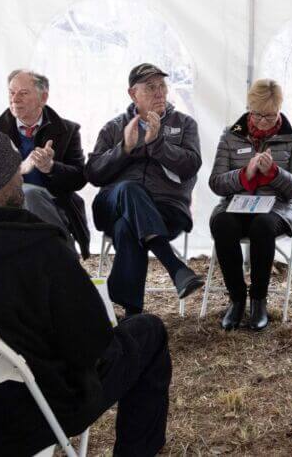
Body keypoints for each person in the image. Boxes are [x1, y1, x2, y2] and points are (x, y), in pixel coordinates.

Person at [0, 110, 171, 456]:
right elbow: (91, 347)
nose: (20, 175)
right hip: (28, 420)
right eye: (14, 167)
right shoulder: (36, 246)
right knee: (147, 330)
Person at [86, 63, 204, 317]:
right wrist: (124, 149)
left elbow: (191, 166)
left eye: (162, 86)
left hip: (166, 210)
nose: (159, 92)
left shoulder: (185, 125)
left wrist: (158, 143)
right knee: (129, 189)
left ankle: (132, 312)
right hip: (112, 205)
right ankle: (174, 266)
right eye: (150, 87)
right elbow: (94, 173)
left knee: (127, 227)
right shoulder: (115, 127)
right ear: (133, 94)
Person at [208, 79, 292, 331]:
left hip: (276, 208)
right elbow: (216, 184)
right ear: (249, 108)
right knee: (222, 223)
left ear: (280, 109)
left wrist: (275, 173)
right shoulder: (230, 135)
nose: (263, 122)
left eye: (270, 116)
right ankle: (237, 299)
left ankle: (258, 300)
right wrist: (245, 173)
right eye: (257, 115)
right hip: (237, 203)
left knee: (262, 225)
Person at [0, 69, 91, 257]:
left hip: (54, 204)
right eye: (11, 92)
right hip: (6, 205)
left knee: (31, 195)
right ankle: (66, 259)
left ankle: (61, 260)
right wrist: (16, 170)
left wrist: (50, 167)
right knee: (28, 194)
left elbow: (79, 178)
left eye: (23, 93)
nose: (15, 99)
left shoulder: (67, 130)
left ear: (43, 98)